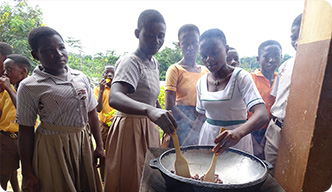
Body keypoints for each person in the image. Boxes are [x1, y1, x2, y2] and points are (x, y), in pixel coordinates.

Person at [16, 26, 104, 192]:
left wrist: (99, 146)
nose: (58, 54)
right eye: (48, 50)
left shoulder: (80, 77)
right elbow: (25, 130)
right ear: (36, 55)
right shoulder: (29, 86)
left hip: (82, 144)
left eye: (61, 47)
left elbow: (92, 113)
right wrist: (27, 173)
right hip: (52, 147)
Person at [104, 9, 177, 192]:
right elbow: (115, 96)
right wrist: (149, 110)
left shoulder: (153, 62)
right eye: (150, 35)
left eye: (161, 36)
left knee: (147, 178)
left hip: (148, 126)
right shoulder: (131, 61)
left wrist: (161, 113)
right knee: (132, 178)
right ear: (137, 34)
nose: (157, 41)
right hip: (130, 129)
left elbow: (150, 97)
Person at [187, 28, 269, 155]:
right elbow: (200, 117)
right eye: (203, 55)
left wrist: (238, 133)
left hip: (236, 141)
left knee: (233, 173)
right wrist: (185, 144)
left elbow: (262, 114)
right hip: (208, 138)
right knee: (206, 173)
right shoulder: (201, 82)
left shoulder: (241, 77)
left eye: (214, 52)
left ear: (226, 49)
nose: (209, 59)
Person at [264, 13, 302, 175]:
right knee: (269, 175)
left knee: (294, 176)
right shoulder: (285, 66)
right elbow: (275, 100)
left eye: (301, 36)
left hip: (300, 134)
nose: (296, 42)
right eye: (293, 37)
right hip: (276, 129)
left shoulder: (324, 70)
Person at [165, 24, 209, 147]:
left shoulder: (206, 71)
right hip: (182, 121)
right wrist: (191, 124)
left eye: (194, 43)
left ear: (199, 43)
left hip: (201, 119)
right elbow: (170, 105)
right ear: (179, 45)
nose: (190, 48)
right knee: (178, 157)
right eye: (185, 44)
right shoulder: (175, 70)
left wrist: (200, 124)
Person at [0, 54, 30, 192]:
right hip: (6, 137)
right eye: (4, 69)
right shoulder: (7, 89)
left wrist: (8, 89)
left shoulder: (32, 87)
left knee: (30, 173)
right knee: (3, 174)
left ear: (24, 72)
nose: (5, 73)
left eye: (9, 69)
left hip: (27, 137)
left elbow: (23, 110)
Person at [248, 40, 282, 159]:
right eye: (266, 56)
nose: (271, 60)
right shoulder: (249, 80)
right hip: (248, 132)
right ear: (258, 59)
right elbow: (241, 114)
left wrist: (263, 141)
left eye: (276, 55)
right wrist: (255, 143)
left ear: (281, 57)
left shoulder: (281, 80)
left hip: (270, 133)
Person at [93, 64, 115, 181]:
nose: (109, 75)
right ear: (103, 74)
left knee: (116, 153)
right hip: (103, 126)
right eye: (107, 72)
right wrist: (101, 90)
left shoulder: (118, 89)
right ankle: (103, 180)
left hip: (116, 126)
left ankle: (114, 178)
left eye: (112, 72)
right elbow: (98, 109)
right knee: (103, 153)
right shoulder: (98, 89)